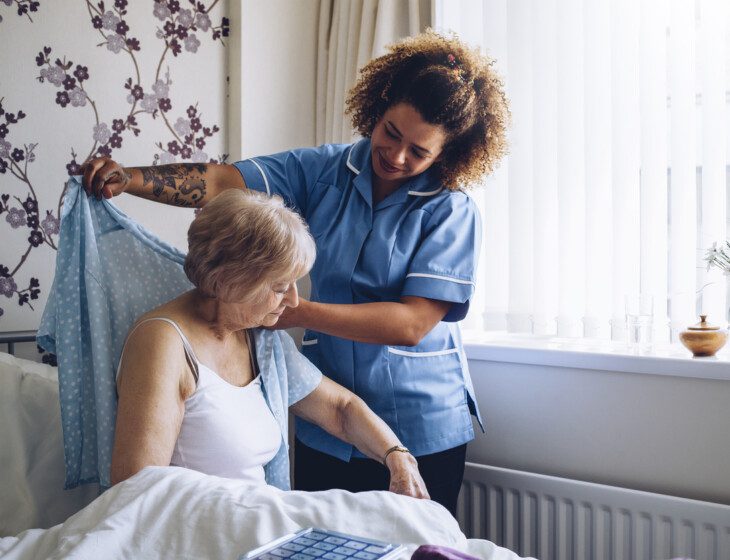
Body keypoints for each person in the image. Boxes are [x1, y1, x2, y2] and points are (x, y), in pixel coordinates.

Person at [84, 30, 509, 515]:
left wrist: (288, 308)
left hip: (419, 421)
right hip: (326, 423)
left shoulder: (451, 211)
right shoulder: (323, 170)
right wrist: (131, 179)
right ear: (378, 109)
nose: (396, 156)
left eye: (419, 151)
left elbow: (411, 325)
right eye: (391, 133)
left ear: (447, 155)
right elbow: (224, 181)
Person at [110, 187, 428, 501]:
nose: (292, 299)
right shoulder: (164, 343)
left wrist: (397, 455)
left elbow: (340, 409)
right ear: (225, 280)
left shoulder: (260, 339)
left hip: (254, 523)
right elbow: (136, 491)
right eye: (279, 286)